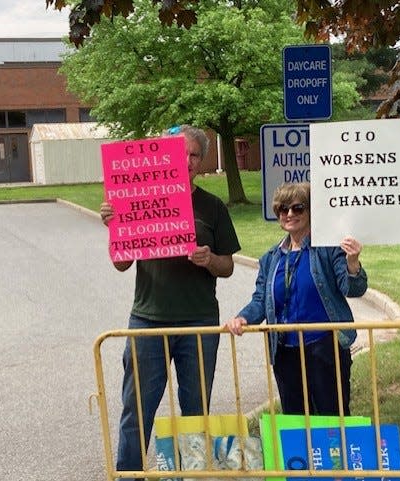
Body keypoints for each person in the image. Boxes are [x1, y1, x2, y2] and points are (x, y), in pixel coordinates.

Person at [100, 125, 241, 481]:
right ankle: (129, 474)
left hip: (199, 323)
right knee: (137, 409)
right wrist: (116, 227)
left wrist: (210, 259)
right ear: (165, 157)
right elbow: (121, 264)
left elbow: (227, 266)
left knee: (195, 410)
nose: (187, 161)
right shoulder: (137, 198)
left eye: (195, 155)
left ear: (202, 160)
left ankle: (189, 476)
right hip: (148, 320)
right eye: (180, 153)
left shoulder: (212, 206)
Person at [224, 182, 367, 415]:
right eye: (283, 209)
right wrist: (242, 318)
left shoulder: (328, 248)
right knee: (295, 422)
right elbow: (261, 300)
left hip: (325, 348)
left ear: (311, 211)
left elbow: (354, 288)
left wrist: (353, 263)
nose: (289, 214)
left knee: (333, 419)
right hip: (285, 352)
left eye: (298, 208)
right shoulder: (271, 258)